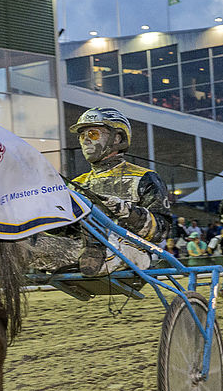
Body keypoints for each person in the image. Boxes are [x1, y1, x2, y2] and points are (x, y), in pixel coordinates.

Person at [69, 107, 171, 275]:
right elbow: (66, 231)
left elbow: (161, 231)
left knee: (95, 242)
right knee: (24, 244)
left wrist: (128, 212)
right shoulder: (75, 184)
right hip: (82, 252)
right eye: (82, 136)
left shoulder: (145, 177)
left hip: (131, 251)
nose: (85, 140)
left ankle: (94, 256)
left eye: (93, 134)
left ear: (117, 138)